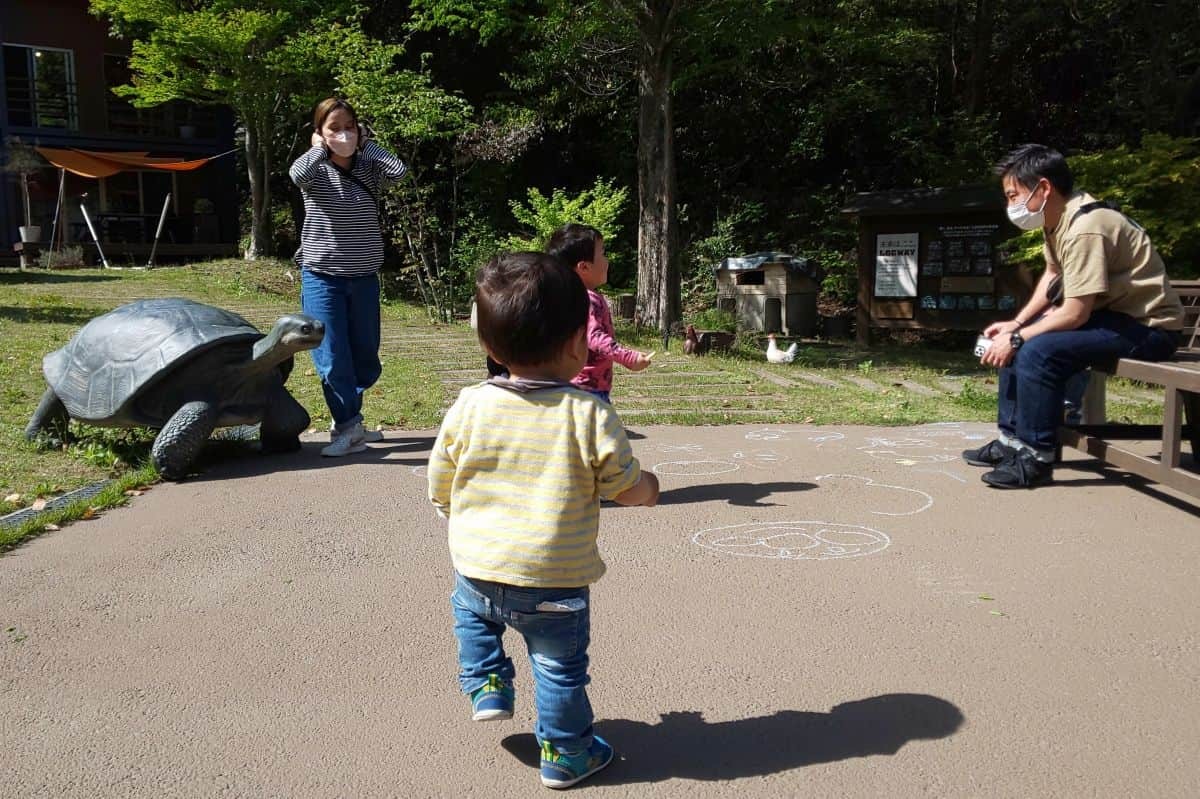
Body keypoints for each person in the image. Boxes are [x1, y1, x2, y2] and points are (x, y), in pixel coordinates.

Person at [428, 251, 660, 789]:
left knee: (471, 613)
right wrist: (649, 489)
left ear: (488, 346)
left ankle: (485, 682)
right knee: (558, 668)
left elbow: (442, 477)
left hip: (478, 563)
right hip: (554, 579)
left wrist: (452, 514)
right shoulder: (588, 413)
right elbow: (625, 486)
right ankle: (566, 754)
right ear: (580, 343)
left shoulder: (469, 404)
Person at [963, 143, 1184, 488]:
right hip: (1114, 318)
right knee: (1016, 341)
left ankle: (1036, 457)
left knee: (1036, 351)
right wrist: (1017, 324)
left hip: (1150, 329)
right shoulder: (1058, 219)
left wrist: (1020, 338)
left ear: (1044, 187)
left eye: (1013, 195)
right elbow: (1052, 275)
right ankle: (1011, 444)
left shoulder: (1087, 227)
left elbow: (1075, 314)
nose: (1011, 206)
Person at [289, 97, 407, 457]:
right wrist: (319, 149)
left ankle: (352, 419)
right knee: (332, 355)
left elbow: (399, 171)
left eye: (350, 127)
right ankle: (347, 426)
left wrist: (368, 144)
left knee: (365, 356)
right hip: (323, 277)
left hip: (364, 277)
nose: (344, 134)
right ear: (320, 134)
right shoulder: (315, 170)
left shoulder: (369, 166)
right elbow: (296, 175)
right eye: (334, 128)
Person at [546, 224, 652, 403]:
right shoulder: (587, 299)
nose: (607, 260)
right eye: (602, 253)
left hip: (572, 386)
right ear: (584, 267)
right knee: (601, 430)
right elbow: (594, 337)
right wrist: (629, 358)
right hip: (588, 390)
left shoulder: (567, 296)